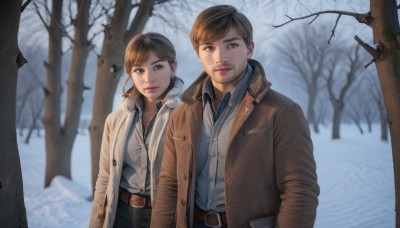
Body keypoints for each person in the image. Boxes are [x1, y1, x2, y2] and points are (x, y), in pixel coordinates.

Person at [151, 5, 319, 228]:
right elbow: (170, 184)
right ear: (198, 54)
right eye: (209, 47)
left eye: (231, 45)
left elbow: (299, 188)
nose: (220, 57)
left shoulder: (283, 112)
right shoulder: (183, 113)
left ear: (249, 48)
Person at [89, 32, 184, 228]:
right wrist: (96, 222)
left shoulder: (186, 116)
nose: (148, 78)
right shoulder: (115, 119)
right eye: (139, 70)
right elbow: (105, 176)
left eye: (157, 67)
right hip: (120, 214)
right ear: (130, 74)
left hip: (165, 216)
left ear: (173, 67)